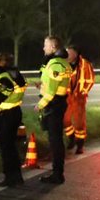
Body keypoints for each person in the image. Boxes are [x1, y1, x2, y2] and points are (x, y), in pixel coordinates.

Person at [0, 52, 26, 186]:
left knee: (6, 148)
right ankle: (17, 176)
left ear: (3, 63)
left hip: (5, 116)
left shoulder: (4, 78)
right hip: (15, 112)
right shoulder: (17, 74)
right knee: (12, 147)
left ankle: (10, 177)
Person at [35, 35, 71, 184]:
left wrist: (40, 105)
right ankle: (57, 172)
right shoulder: (62, 63)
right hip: (58, 103)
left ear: (53, 47)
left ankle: (57, 174)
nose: (44, 48)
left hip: (54, 105)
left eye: (46, 45)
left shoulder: (55, 64)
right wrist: (41, 87)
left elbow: (51, 92)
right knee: (56, 140)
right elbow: (53, 86)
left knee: (55, 141)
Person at [65, 44, 96, 155]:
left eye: (69, 52)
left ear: (75, 53)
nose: (67, 54)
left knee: (79, 123)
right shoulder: (64, 64)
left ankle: (80, 145)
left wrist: (83, 92)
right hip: (67, 97)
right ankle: (71, 138)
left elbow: (90, 79)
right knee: (65, 120)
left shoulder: (85, 65)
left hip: (79, 98)